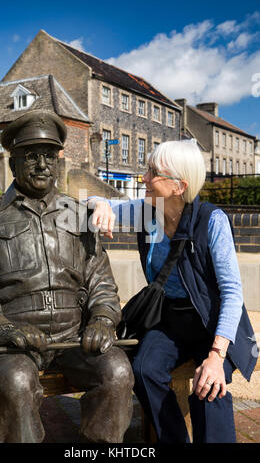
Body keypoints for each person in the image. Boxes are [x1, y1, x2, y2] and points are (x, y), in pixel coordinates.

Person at [0, 110, 134, 443]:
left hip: (73, 339)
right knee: (18, 381)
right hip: (10, 346)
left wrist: (101, 320)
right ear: (13, 165)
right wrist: (5, 329)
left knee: (117, 370)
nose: (43, 165)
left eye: (50, 157)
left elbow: (101, 283)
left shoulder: (79, 215)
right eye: (31, 157)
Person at [88, 139, 258, 443]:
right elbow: (86, 203)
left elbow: (232, 292)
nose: (144, 178)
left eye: (153, 172)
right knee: (143, 370)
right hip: (170, 321)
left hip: (212, 323)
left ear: (179, 186)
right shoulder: (145, 212)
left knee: (209, 387)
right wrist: (100, 204)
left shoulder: (211, 221)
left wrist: (217, 356)